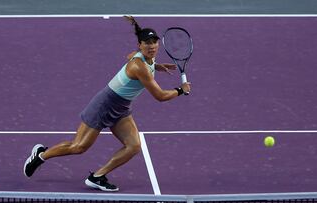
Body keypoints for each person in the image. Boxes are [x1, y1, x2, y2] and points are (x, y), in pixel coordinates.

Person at [23, 16, 191, 192]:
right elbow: (160, 96)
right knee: (78, 147)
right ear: (140, 45)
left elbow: (133, 57)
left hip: (121, 108)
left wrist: (156, 66)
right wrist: (181, 90)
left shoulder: (145, 57)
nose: (152, 46)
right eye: (147, 43)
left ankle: (97, 177)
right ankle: (40, 155)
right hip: (105, 105)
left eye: (154, 42)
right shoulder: (138, 66)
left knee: (133, 146)